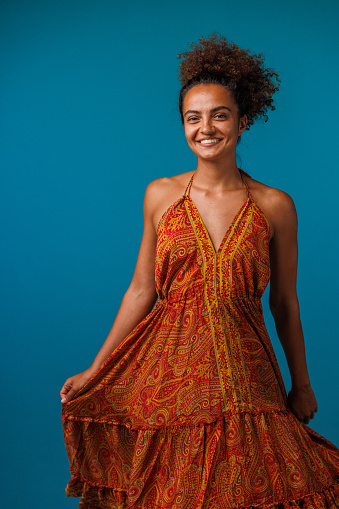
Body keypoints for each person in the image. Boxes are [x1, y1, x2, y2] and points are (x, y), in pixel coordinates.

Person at [61, 34, 339, 508]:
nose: (205, 127)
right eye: (193, 117)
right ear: (183, 125)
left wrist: (303, 384)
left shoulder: (275, 206)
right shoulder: (160, 196)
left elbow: (285, 304)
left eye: (219, 114)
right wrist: (97, 366)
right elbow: (141, 290)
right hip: (167, 372)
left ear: (243, 121)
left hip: (246, 375)